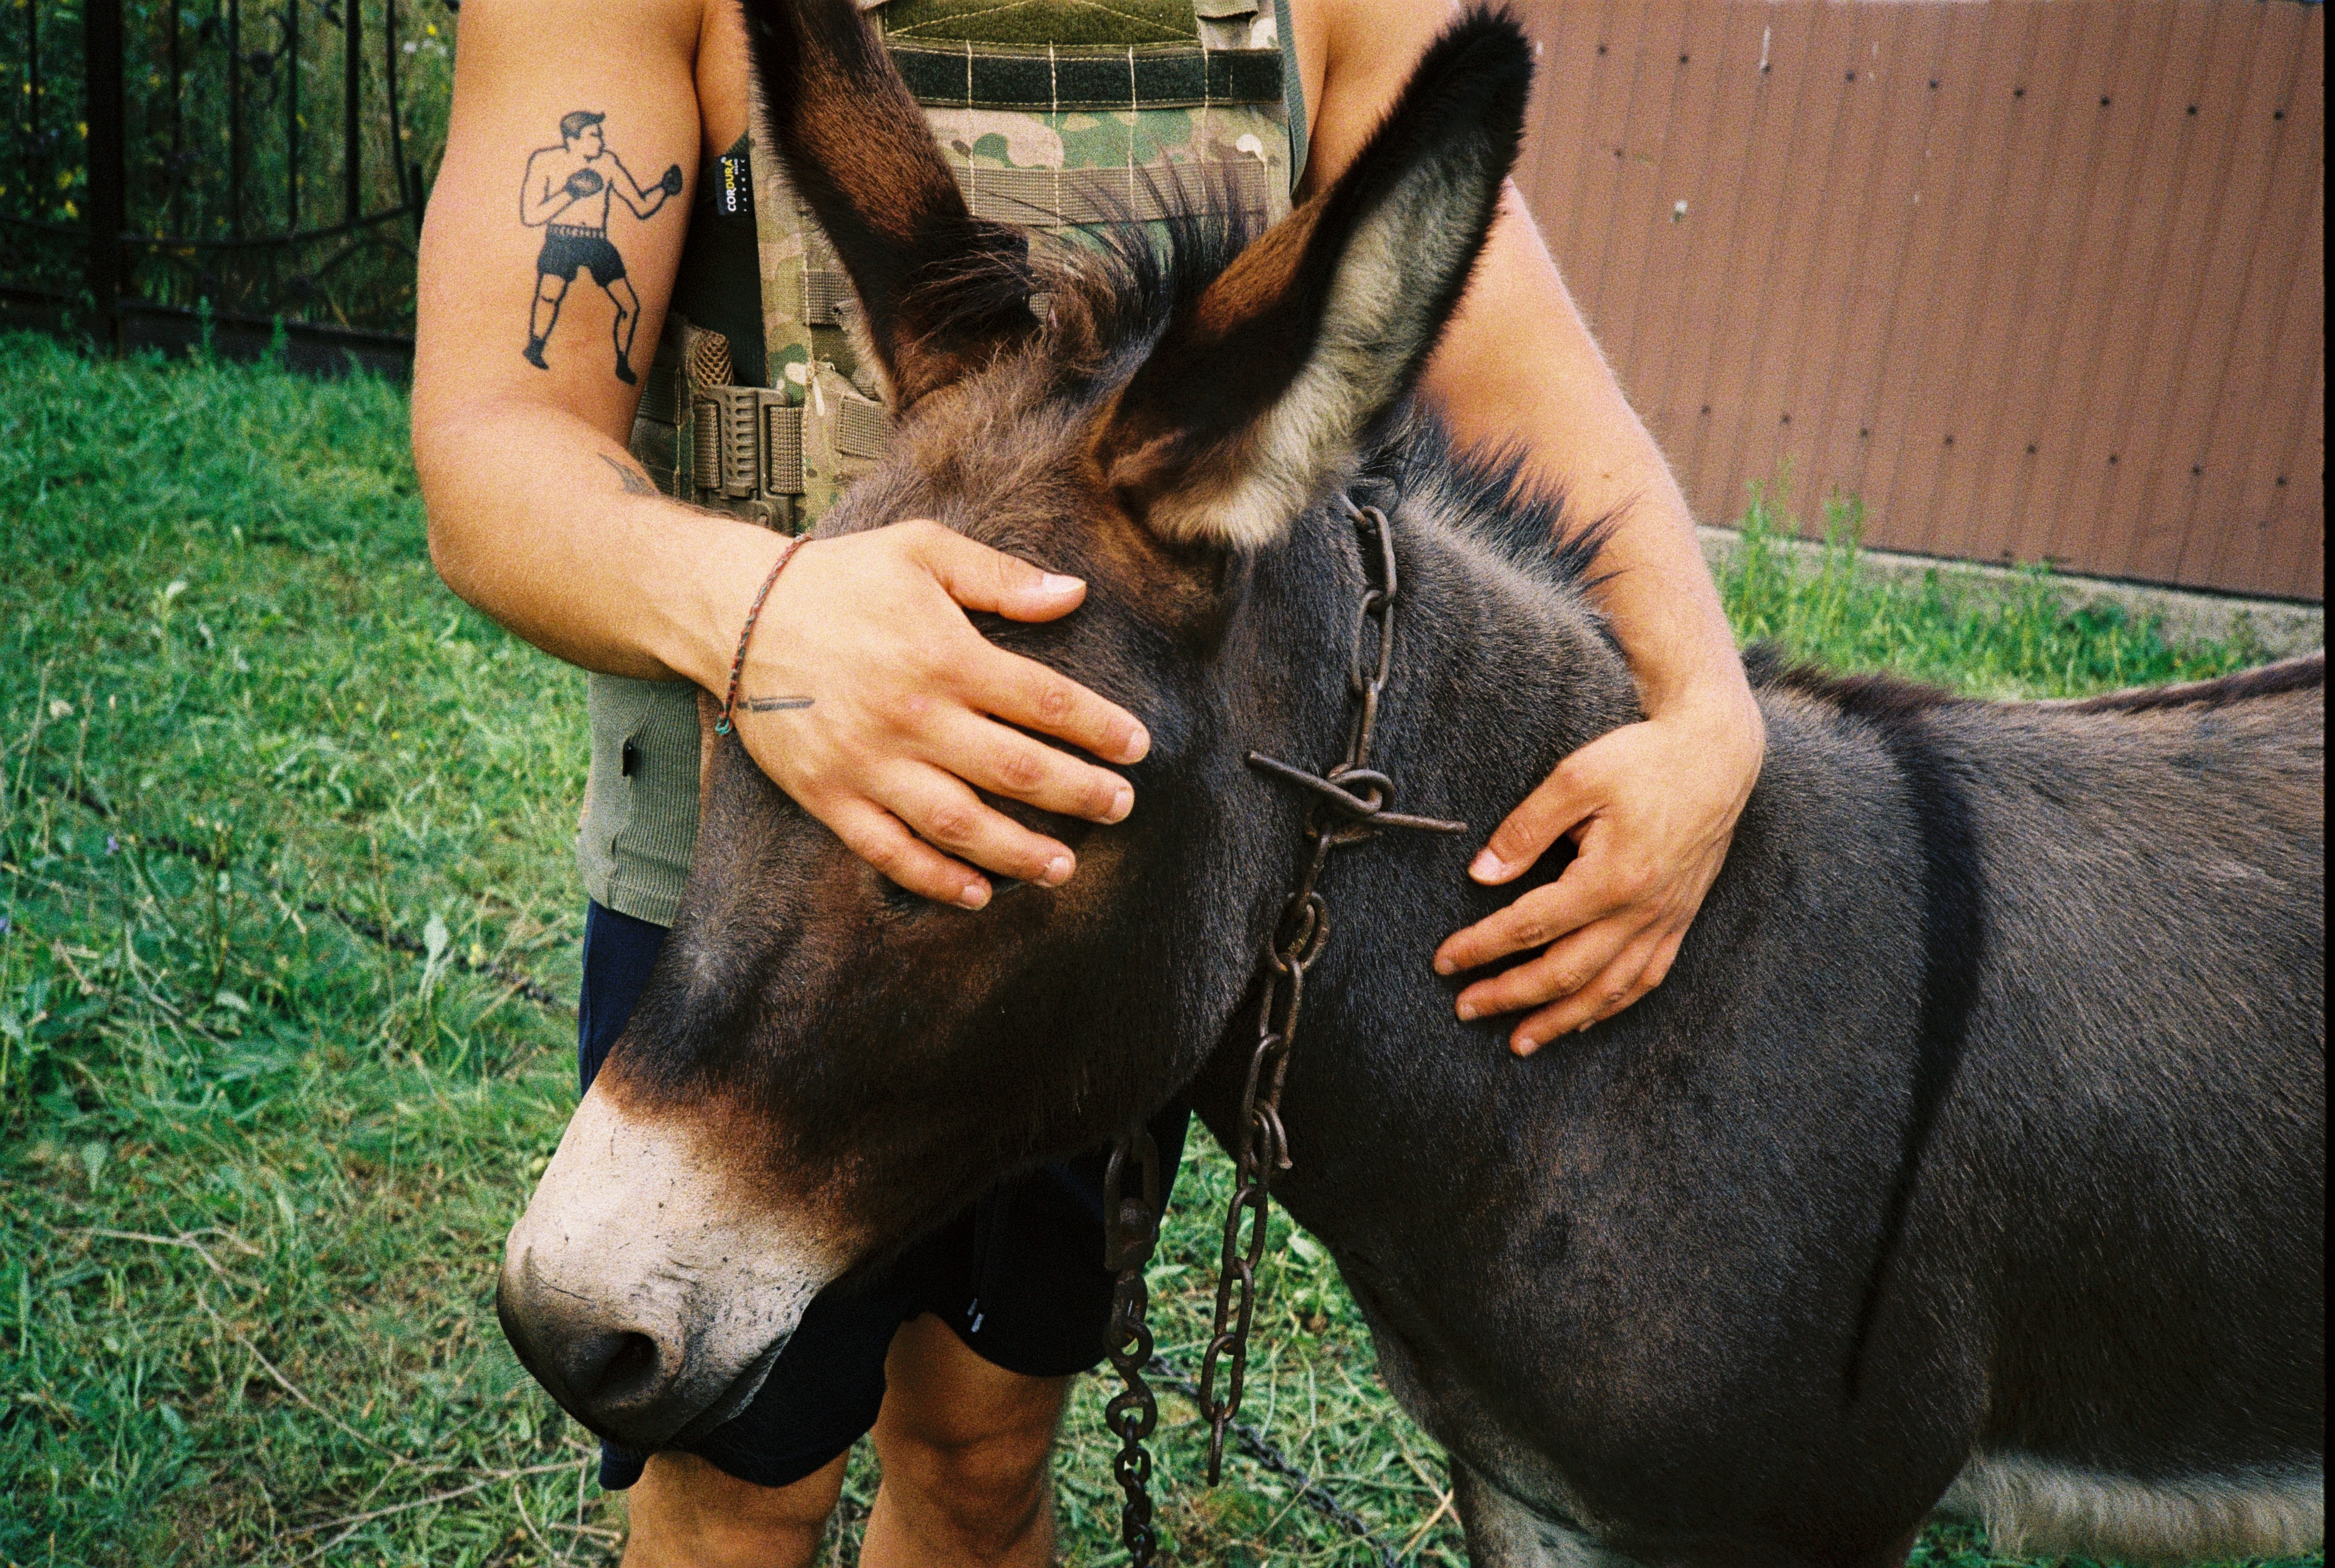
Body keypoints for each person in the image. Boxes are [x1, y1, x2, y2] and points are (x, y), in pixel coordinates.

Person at [411, 0, 1765, 1561]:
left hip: (1102, 865)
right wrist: (767, 618)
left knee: (984, 1450)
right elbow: (496, 437)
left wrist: (1708, 712)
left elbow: (1524, 371)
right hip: (759, 854)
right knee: (734, 1482)